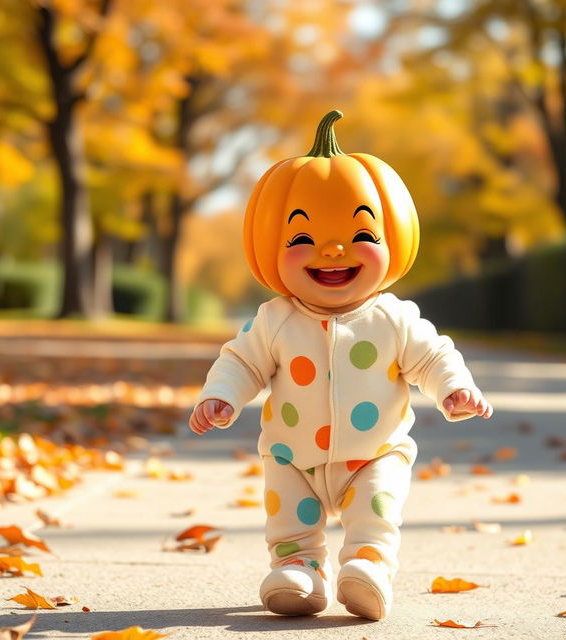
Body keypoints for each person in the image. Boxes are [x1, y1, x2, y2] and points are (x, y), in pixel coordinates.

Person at [189, 110, 493, 621]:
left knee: (376, 514)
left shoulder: (394, 318)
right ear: (271, 249)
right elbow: (240, 361)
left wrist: (453, 388)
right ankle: (299, 569)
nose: (331, 251)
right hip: (292, 455)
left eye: (361, 236)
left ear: (392, 240)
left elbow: (434, 354)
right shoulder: (275, 319)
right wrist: (220, 396)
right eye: (302, 240)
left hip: (374, 454)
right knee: (288, 519)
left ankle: (367, 568)